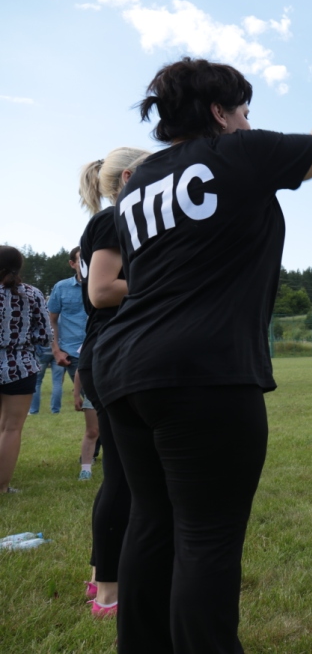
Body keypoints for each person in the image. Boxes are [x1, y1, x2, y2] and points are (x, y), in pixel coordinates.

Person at [91, 57, 312, 653]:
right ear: (219, 113)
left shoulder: (138, 186)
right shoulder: (238, 152)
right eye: (245, 111)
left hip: (124, 368)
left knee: (151, 521)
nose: (250, 122)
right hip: (202, 371)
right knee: (206, 537)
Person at [76, 147, 152, 619]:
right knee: (124, 477)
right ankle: (108, 593)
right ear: (128, 178)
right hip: (111, 352)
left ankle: (100, 575)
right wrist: (166, 279)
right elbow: (102, 290)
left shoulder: (115, 221)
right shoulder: (113, 221)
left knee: (121, 476)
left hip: (109, 353)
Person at [0, 246, 52, 493]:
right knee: (11, 429)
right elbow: (45, 335)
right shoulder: (32, 294)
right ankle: (2, 487)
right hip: (20, 366)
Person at [47, 246, 99, 480]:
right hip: (73, 353)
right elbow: (51, 321)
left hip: (102, 348)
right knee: (93, 400)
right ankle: (90, 456)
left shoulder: (100, 283)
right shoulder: (61, 288)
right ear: (72, 264)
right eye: (81, 260)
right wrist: (56, 350)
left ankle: (92, 453)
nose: (85, 264)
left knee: (101, 401)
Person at [28, 332, 62, 415]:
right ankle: (56, 410)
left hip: (42, 351)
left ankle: (34, 410)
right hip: (58, 351)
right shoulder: (58, 324)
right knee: (57, 382)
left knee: (37, 382)